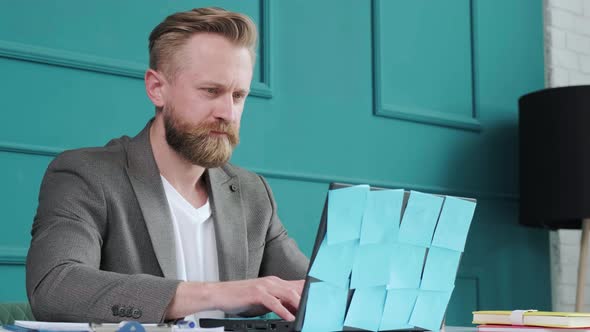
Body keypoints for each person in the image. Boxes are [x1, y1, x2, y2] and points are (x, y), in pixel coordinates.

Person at [25, 7, 309, 323]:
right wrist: (218, 293)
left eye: (239, 95)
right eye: (210, 91)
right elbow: (55, 288)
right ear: (156, 88)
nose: (228, 112)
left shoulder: (252, 192)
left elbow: (314, 292)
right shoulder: (85, 174)